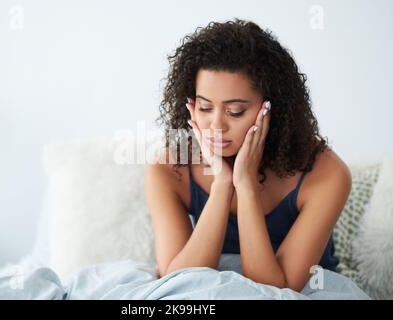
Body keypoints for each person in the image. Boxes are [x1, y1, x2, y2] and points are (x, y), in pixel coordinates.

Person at [144, 19, 351, 292]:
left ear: (270, 108)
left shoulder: (327, 174)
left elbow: (277, 289)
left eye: (235, 112)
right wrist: (222, 185)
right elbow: (178, 284)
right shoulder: (168, 169)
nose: (216, 126)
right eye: (205, 108)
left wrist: (246, 185)